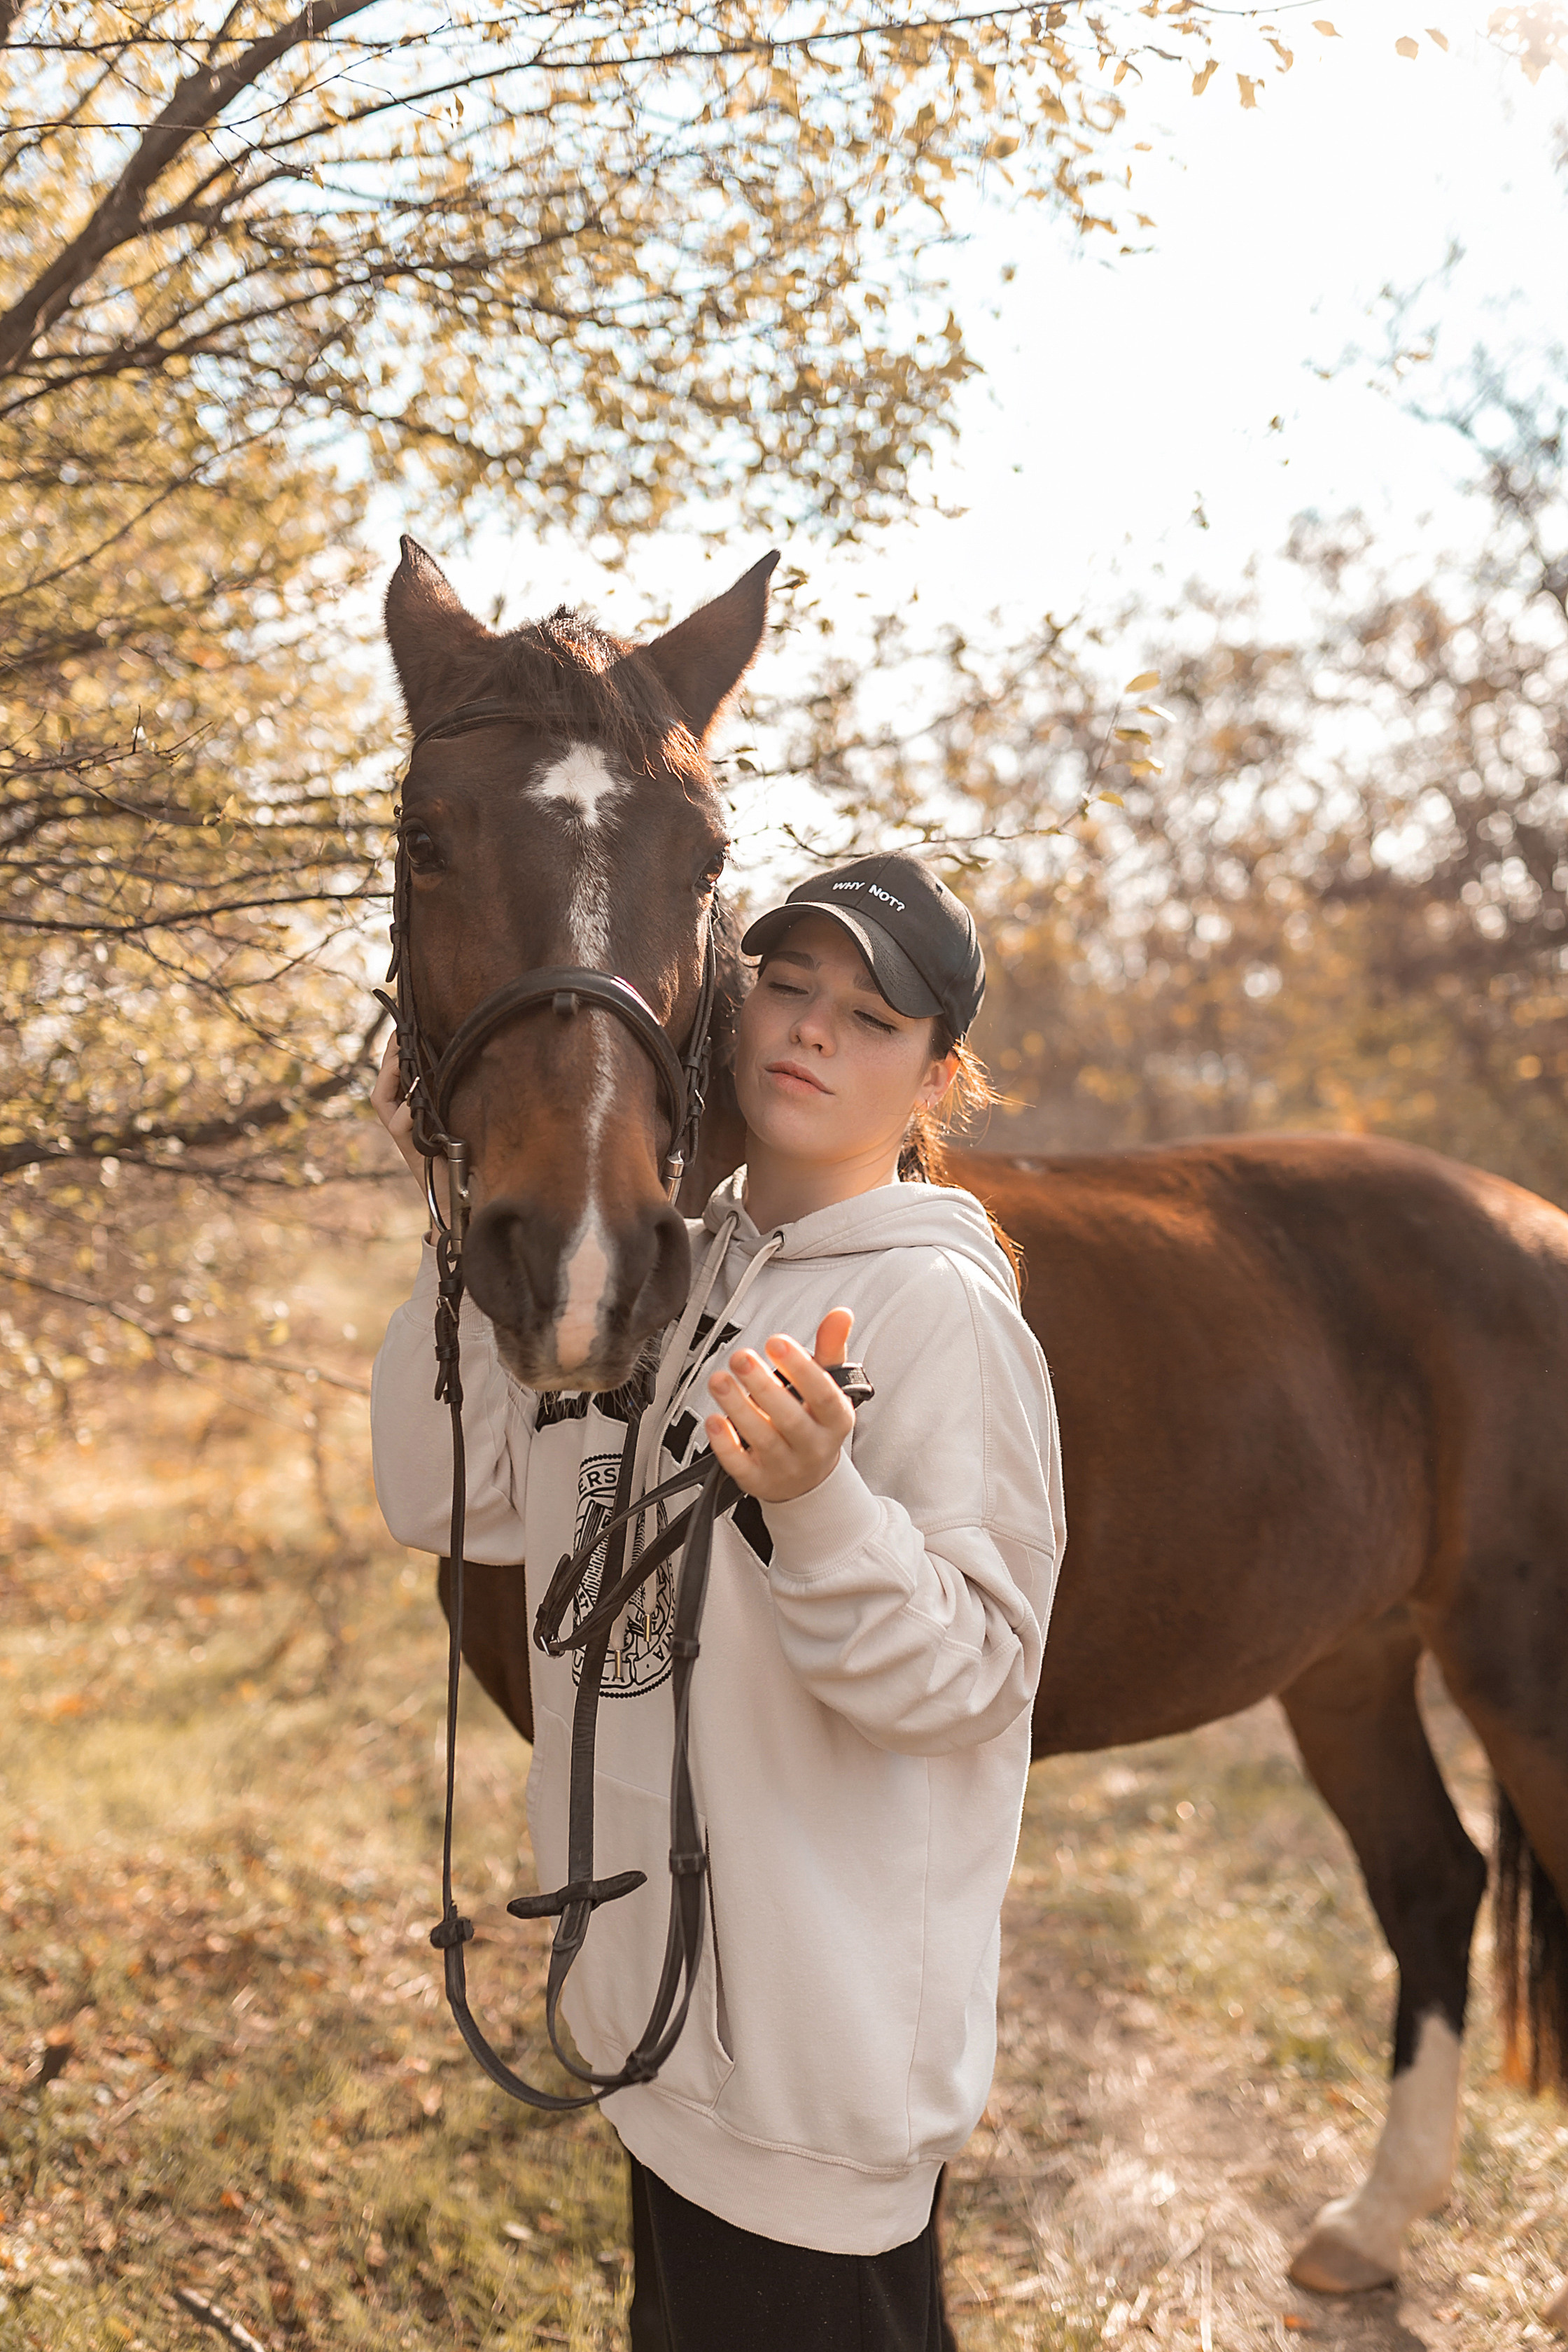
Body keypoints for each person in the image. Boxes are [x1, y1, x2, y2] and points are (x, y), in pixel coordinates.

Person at [370, 851, 1065, 2352]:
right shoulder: (659, 1274)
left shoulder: (935, 1312)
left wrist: (820, 1504)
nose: (809, 1032)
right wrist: (467, 1217)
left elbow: (971, 1680)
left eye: (870, 1019)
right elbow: (445, 1499)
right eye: (787, 987)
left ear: (936, 1077)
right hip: (657, 2029)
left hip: (810, 2079)